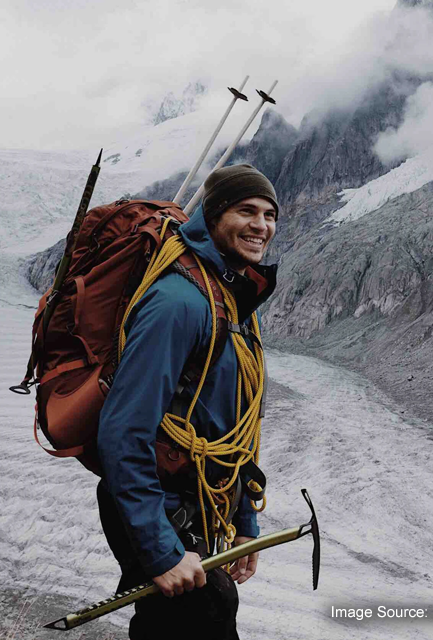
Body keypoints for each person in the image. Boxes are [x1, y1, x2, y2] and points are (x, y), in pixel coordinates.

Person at [96, 164, 279, 640]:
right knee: (205, 613)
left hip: (196, 502)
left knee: (202, 613)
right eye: (246, 210)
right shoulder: (179, 301)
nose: (261, 225)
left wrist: (245, 524)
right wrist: (159, 551)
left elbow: (235, 425)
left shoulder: (235, 302)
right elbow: (124, 428)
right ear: (214, 215)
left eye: (269, 214)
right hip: (156, 503)